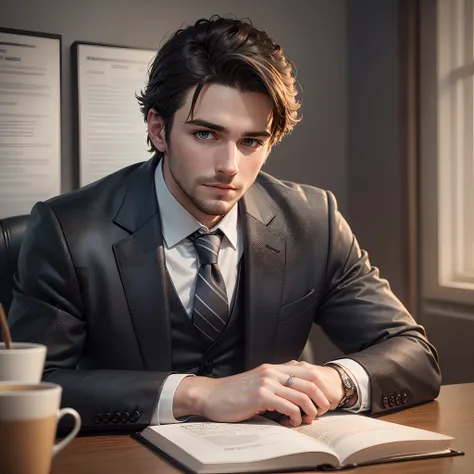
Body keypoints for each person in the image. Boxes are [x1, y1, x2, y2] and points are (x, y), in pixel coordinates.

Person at [8, 16, 440, 433]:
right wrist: (196, 394)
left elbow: (415, 355)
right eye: (205, 134)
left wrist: (337, 381)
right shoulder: (67, 229)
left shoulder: (314, 221)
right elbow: (37, 385)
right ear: (159, 130)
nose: (229, 166)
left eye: (251, 141)